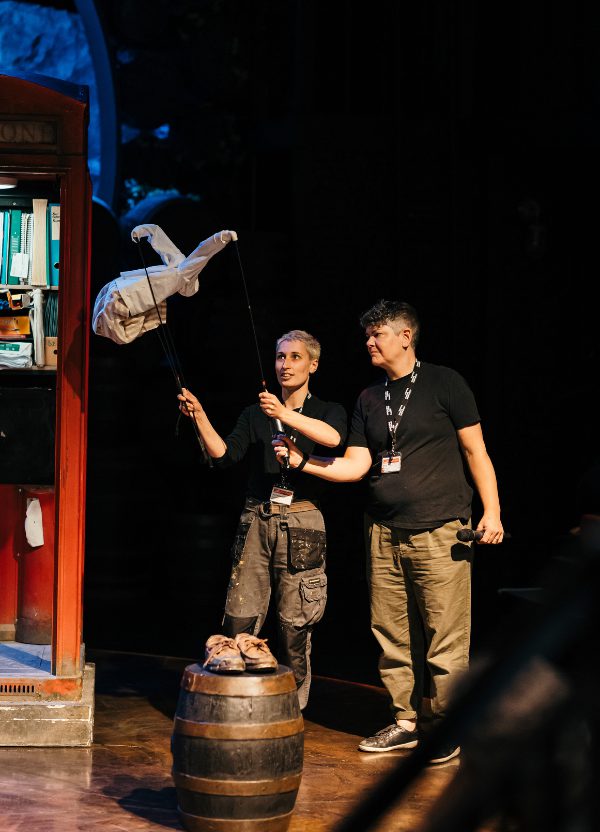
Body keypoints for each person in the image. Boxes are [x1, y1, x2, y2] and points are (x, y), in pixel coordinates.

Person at [274, 300, 503, 761]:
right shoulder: (368, 398)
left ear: (405, 337)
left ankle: (445, 727)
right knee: (391, 633)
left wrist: (492, 512)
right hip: (382, 531)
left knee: (445, 636)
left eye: (377, 334)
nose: (369, 342)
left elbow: (475, 451)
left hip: (441, 530)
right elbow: (356, 465)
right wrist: (303, 462)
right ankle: (406, 722)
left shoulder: (445, 383)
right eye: (367, 335)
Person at [178, 329, 347, 709]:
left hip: (302, 520)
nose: (285, 364)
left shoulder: (326, 410)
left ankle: (290, 707)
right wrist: (200, 416)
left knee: (294, 624)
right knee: (240, 615)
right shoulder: (256, 414)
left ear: (313, 365)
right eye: (280, 356)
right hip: (257, 517)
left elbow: (334, 439)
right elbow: (224, 455)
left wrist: (284, 414)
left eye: (295, 357)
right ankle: (236, 702)